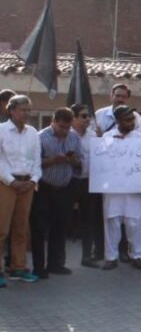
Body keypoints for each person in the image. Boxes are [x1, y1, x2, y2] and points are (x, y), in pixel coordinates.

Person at [32, 107, 82, 278]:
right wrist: (52, 160)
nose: (65, 131)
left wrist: (73, 160)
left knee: (60, 227)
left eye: (68, 127)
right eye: (61, 127)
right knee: (39, 228)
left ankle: (56, 264)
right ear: (53, 122)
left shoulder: (74, 137)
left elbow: (80, 162)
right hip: (44, 187)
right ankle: (39, 267)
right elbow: (33, 163)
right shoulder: (40, 137)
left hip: (65, 188)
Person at [101, 105, 141, 270]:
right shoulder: (107, 137)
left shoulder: (140, 138)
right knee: (112, 222)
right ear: (117, 121)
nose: (131, 122)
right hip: (113, 189)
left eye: (132, 119)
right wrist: (113, 144)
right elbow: (101, 160)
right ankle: (111, 257)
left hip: (134, 189)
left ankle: (138, 255)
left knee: (134, 222)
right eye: (127, 120)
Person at [0, 95, 41, 285]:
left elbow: (36, 160)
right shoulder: (1, 130)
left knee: (21, 229)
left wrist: (33, 180)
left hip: (27, 184)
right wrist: (11, 181)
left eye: (28, 110)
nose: (26, 113)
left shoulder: (33, 132)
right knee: (2, 229)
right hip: (6, 184)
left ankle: (18, 267)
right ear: (11, 110)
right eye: (23, 109)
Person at [70, 104, 103, 268]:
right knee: (62, 219)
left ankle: (87, 256)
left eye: (88, 116)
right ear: (74, 118)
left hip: (89, 182)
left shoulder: (94, 136)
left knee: (88, 220)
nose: (87, 119)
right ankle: (57, 261)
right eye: (83, 116)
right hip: (69, 182)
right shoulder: (67, 135)